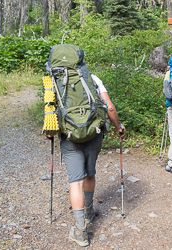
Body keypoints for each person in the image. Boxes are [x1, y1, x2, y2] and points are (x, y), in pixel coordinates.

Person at [47, 73, 125, 247]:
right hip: (93, 133)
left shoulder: (54, 80)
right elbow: (109, 107)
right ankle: (89, 211)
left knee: (75, 182)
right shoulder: (91, 78)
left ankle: (81, 232)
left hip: (69, 136)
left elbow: (49, 110)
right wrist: (118, 127)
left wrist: (50, 133)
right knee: (90, 173)